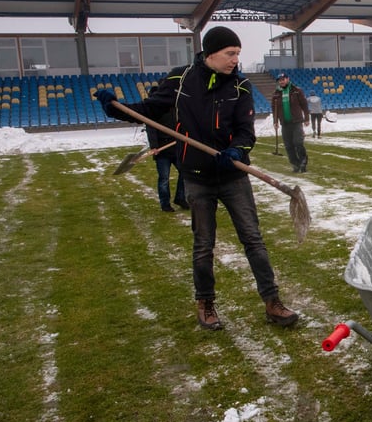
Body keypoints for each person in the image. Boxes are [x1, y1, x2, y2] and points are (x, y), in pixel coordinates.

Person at [96, 26, 300, 331]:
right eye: (230, 53)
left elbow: (246, 132)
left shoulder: (241, 86)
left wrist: (236, 151)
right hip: (196, 177)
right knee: (204, 244)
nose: (235, 60)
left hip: (233, 177)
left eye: (238, 54)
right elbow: (149, 110)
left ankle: (272, 302)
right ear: (211, 52)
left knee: (253, 240)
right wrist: (114, 107)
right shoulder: (181, 80)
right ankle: (205, 304)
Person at [145, 83, 187, 212]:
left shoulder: (174, 108)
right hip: (161, 151)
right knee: (164, 178)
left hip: (176, 147)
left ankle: (180, 198)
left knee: (185, 173)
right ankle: (165, 204)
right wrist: (154, 147)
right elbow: (151, 130)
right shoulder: (153, 111)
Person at [270, 73, 310, 172]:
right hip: (285, 123)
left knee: (298, 142)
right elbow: (274, 109)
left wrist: (307, 118)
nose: (281, 81)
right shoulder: (276, 94)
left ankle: (303, 162)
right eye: (280, 80)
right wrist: (275, 121)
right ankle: (295, 164)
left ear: (288, 79)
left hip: (296, 121)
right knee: (288, 145)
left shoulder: (297, 91)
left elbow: (304, 105)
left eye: (283, 79)